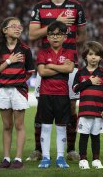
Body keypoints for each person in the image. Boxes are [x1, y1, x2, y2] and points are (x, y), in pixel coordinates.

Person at [28, 0, 86, 162]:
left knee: (70, 106)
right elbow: (32, 35)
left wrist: (68, 51)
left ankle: (70, 149)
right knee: (42, 105)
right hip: (46, 60)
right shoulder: (40, 7)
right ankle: (38, 150)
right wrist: (57, 23)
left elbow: (82, 36)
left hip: (70, 61)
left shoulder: (76, 7)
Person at [0, 17, 35, 170]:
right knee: (7, 125)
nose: (17, 29)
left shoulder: (25, 49)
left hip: (18, 90)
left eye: (19, 26)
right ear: (4, 30)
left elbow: (29, 72)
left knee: (19, 125)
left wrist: (17, 81)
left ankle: (18, 158)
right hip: (3, 90)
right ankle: (6, 158)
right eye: (13, 26)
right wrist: (9, 61)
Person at [35, 21, 75, 169]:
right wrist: (61, 68)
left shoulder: (70, 52)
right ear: (48, 37)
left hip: (62, 94)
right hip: (46, 94)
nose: (55, 37)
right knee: (45, 127)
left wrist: (50, 65)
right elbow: (42, 72)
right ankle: (45, 157)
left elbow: (70, 69)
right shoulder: (42, 52)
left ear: (65, 37)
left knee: (61, 127)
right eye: (52, 34)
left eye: (59, 34)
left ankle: (60, 157)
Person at [72, 41, 103, 169]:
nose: (93, 57)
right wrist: (89, 81)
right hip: (84, 111)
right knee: (83, 136)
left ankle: (96, 160)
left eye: (96, 54)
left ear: (101, 57)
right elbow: (75, 89)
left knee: (96, 137)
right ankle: (83, 160)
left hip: (98, 111)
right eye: (90, 54)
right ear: (85, 56)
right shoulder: (80, 73)